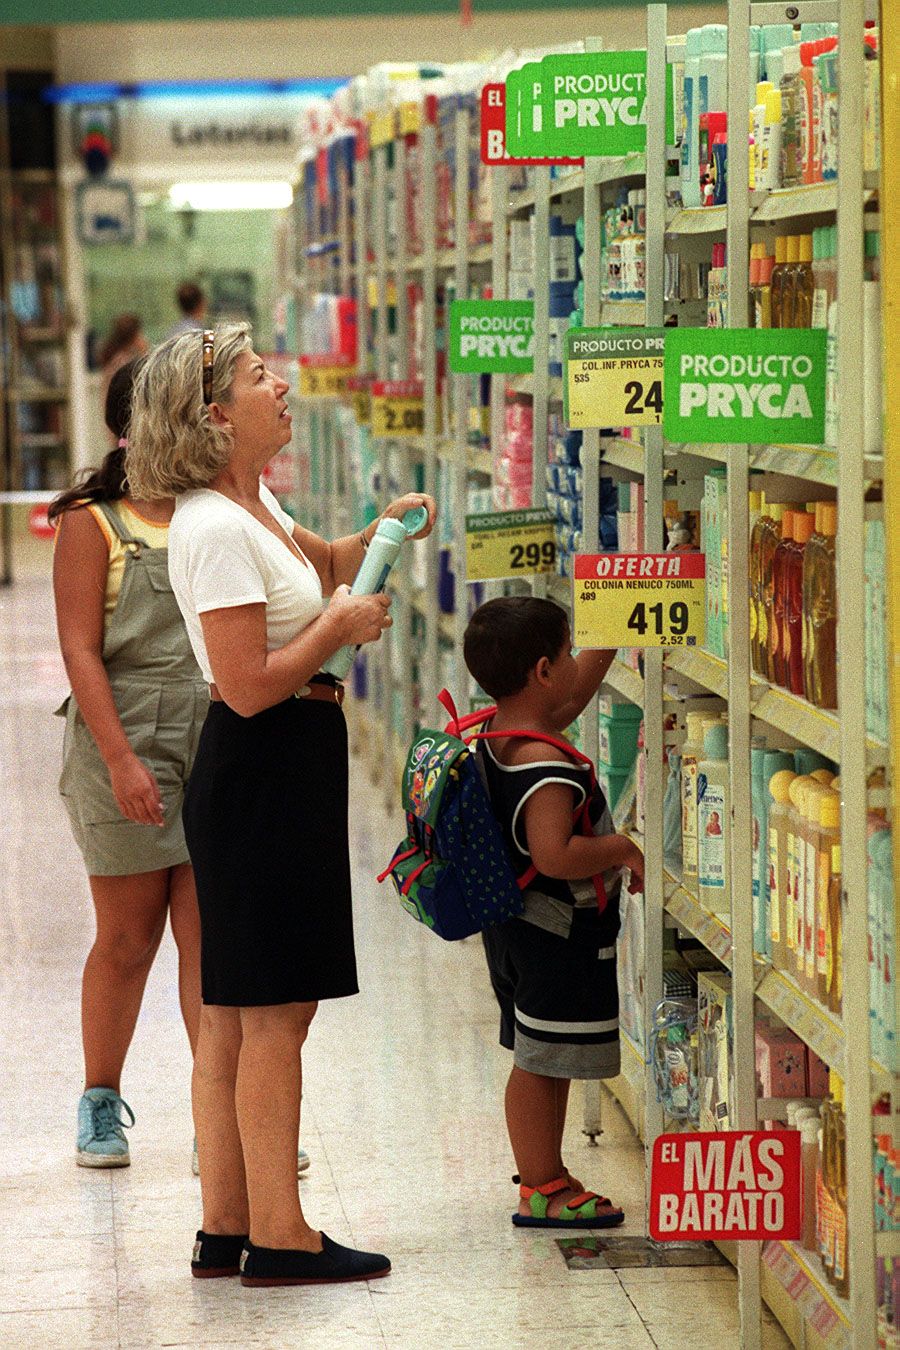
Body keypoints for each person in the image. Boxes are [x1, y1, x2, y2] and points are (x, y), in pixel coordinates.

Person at [125, 323, 436, 1286]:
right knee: (275, 1015)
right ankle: (283, 1236)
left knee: (235, 1011)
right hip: (263, 763)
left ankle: (228, 1223)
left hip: (285, 765)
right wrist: (340, 627)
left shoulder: (252, 500)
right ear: (216, 415)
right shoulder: (213, 530)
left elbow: (325, 561)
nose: (284, 386)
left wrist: (374, 540)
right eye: (264, 379)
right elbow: (247, 682)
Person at [50, 358, 205, 1170]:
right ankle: (99, 1103)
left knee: (210, 939)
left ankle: (223, 1106)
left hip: (212, 736)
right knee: (128, 936)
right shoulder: (94, 521)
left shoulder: (218, 510)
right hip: (123, 741)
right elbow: (80, 650)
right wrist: (119, 759)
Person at [462, 596, 645, 1229]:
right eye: (568, 652)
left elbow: (565, 702)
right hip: (559, 935)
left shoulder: (502, 732)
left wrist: (622, 621)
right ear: (543, 669)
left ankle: (544, 1174)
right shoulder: (548, 768)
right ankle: (541, 1186)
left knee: (539, 1055)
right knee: (541, 1064)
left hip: (516, 929)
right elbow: (555, 852)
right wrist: (622, 848)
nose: (573, 663)